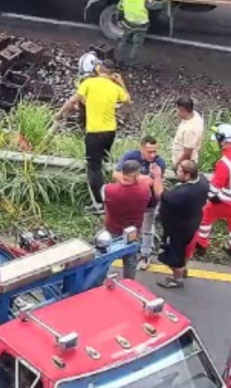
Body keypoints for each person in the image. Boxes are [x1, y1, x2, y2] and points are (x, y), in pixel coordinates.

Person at [56, 60, 130, 214]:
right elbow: (128, 100)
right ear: (112, 74)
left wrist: (59, 113)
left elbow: (73, 101)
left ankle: (99, 204)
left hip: (95, 132)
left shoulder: (89, 83)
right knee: (103, 162)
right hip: (110, 132)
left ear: (98, 69)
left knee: (94, 167)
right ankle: (108, 196)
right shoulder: (115, 87)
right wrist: (121, 82)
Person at [194, 123, 231, 262]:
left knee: (205, 217)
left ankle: (201, 244)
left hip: (226, 199)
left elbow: (215, 186)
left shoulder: (225, 163)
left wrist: (209, 197)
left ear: (222, 141)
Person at [113, 136, 166, 270]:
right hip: (130, 201)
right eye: (149, 152)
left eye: (155, 151)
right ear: (141, 148)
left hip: (149, 202)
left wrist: (129, 178)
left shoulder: (159, 163)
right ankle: (127, 250)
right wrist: (142, 179)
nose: (152, 155)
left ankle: (145, 254)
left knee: (147, 229)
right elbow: (115, 174)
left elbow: (150, 182)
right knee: (129, 226)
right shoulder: (130, 156)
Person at [157, 159, 210, 289]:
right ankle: (182, 269)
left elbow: (159, 194)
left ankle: (177, 278)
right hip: (191, 223)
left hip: (177, 229)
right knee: (183, 250)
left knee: (174, 255)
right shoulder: (202, 181)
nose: (177, 172)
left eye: (179, 171)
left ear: (187, 176)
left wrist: (157, 176)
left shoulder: (183, 193)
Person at [104, 159, 150, 279]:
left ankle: (101, 281)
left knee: (106, 257)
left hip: (113, 228)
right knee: (130, 259)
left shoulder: (109, 190)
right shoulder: (144, 190)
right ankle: (129, 282)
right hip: (132, 231)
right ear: (136, 175)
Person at [116, 0, 151, 67]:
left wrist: (118, 19)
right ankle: (132, 63)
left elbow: (120, 8)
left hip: (128, 24)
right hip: (140, 27)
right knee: (137, 45)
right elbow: (157, 5)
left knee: (124, 41)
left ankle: (119, 59)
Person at [170, 96, 205, 165]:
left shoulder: (190, 130)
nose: (176, 111)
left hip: (184, 166)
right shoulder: (195, 115)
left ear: (182, 109)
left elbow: (187, 153)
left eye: (177, 109)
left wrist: (176, 166)